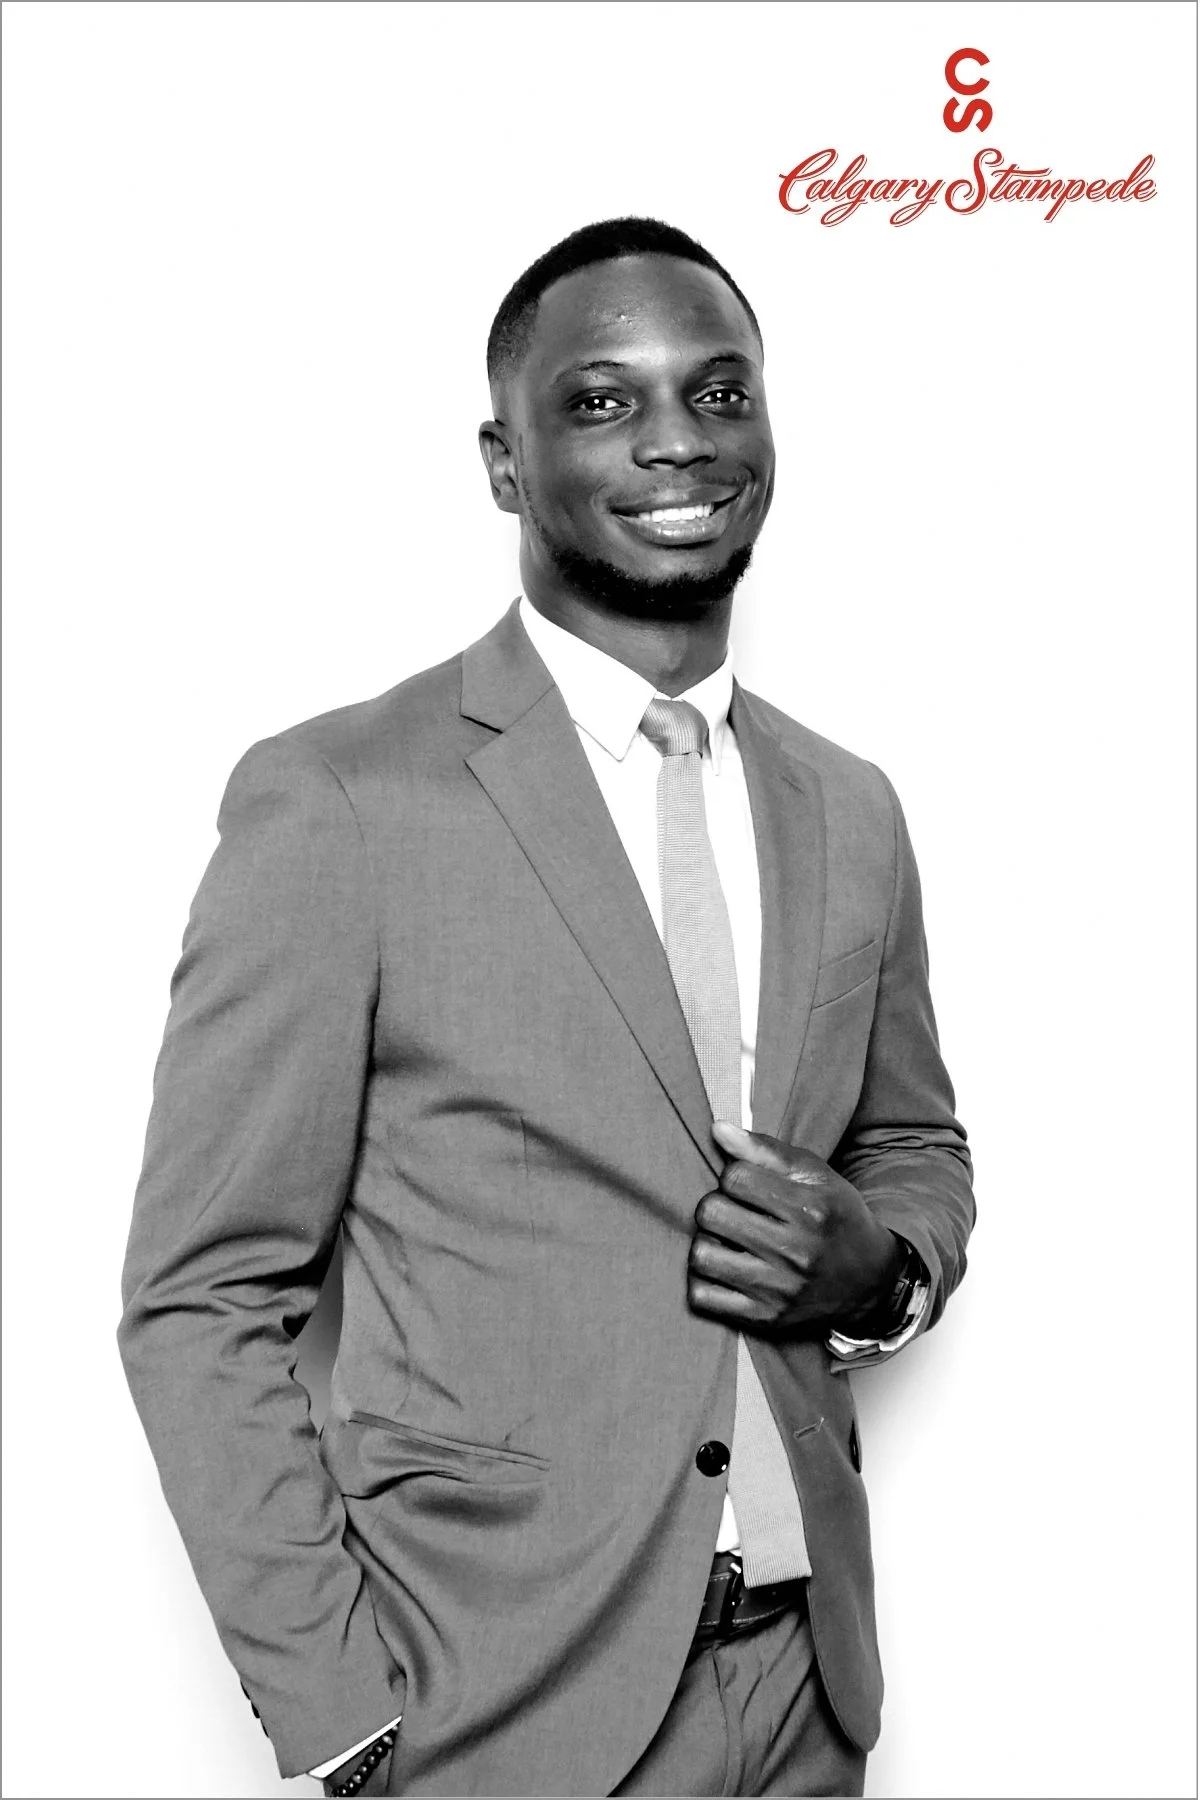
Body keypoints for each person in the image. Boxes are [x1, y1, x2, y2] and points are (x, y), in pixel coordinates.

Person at [119, 216, 975, 1799]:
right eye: (602, 401)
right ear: (505, 461)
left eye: (722, 393)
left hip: (809, 1695)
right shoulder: (342, 802)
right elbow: (203, 1297)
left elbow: (914, 1138)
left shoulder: (851, 807)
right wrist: (342, 1722)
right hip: (495, 1716)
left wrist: (880, 1264)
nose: (676, 439)